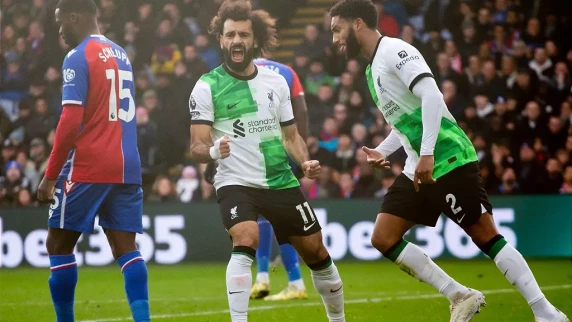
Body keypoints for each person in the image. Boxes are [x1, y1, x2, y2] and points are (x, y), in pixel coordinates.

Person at [328, 1, 569, 322]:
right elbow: (405, 120)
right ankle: (459, 294)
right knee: (383, 237)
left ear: (357, 24)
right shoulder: (372, 70)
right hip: (419, 165)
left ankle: (546, 313)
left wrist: (427, 152)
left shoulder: (395, 50)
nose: (335, 39)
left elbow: (431, 96)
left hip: (447, 156)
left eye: (337, 29)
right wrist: (383, 151)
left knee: (485, 235)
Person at [189, 1, 345, 321]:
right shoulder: (207, 86)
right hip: (236, 181)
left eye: (244, 34)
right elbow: (197, 146)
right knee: (246, 237)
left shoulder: (276, 82)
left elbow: (291, 137)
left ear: (255, 40)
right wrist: (215, 152)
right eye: (230, 34)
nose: (237, 40)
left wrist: (304, 162)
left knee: (316, 251)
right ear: (220, 39)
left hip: (278, 179)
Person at [37, 1, 150, 321]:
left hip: (89, 163)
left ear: (75, 18)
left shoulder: (77, 56)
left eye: (61, 22)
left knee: (58, 244)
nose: (59, 30)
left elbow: (70, 120)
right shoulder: (121, 54)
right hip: (127, 164)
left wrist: (50, 174)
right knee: (127, 248)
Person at [250, 57, 309, 301]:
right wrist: (303, 155)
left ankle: (276, 279)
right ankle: (271, 279)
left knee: (263, 216)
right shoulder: (286, 71)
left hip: (255, 150)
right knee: (278, 216)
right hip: (284, 150)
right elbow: (302, 110)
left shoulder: (240, 70)